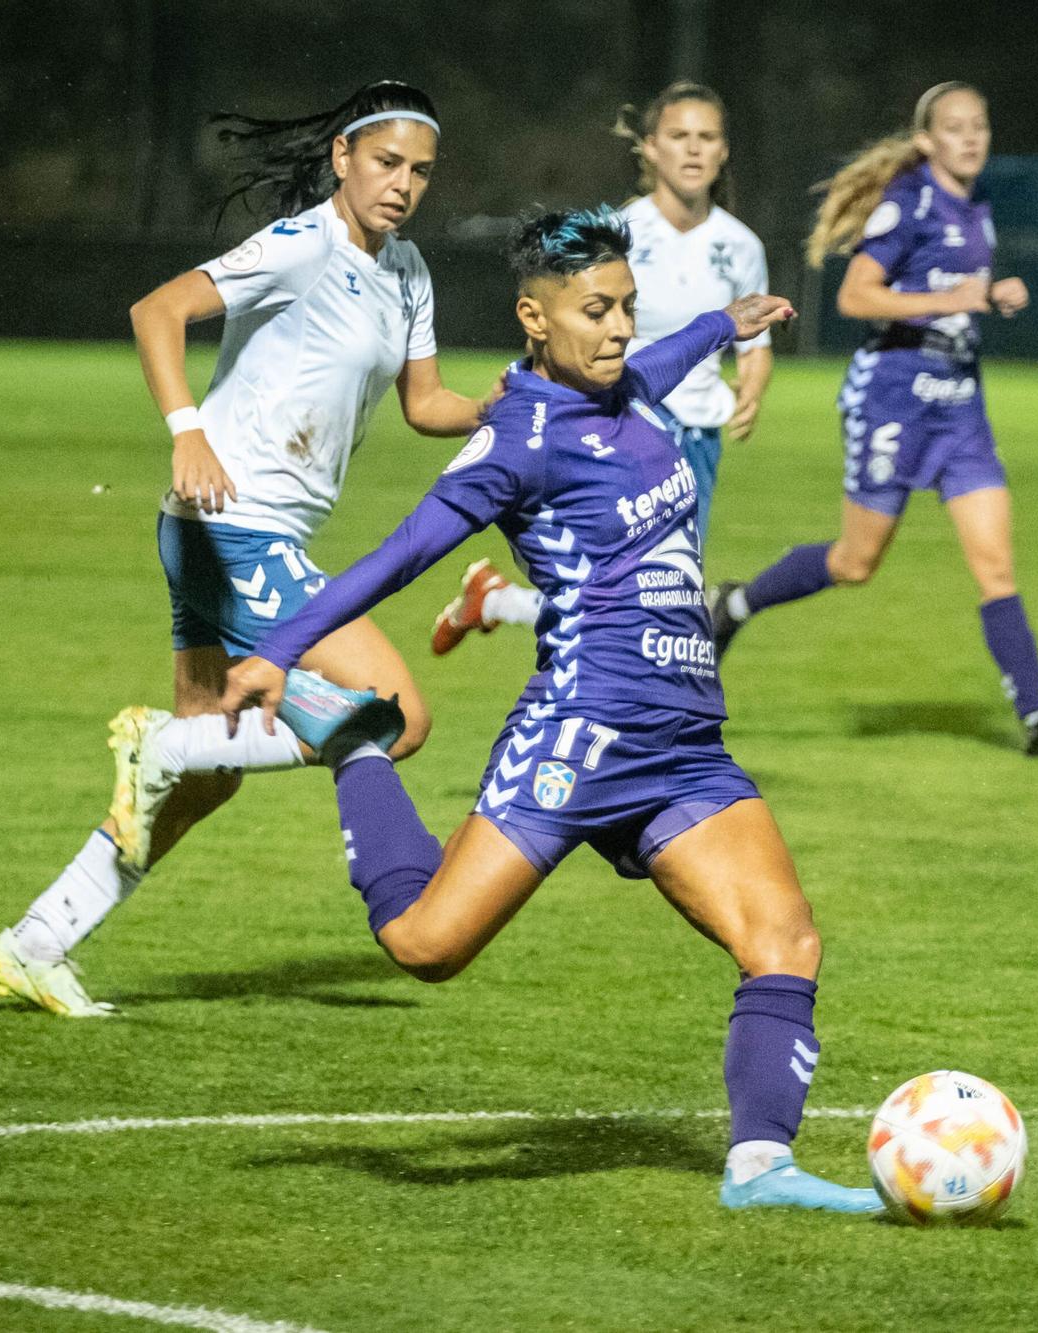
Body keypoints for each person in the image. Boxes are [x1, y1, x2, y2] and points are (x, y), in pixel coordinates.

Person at [217, 207, 880, 1214]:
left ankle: (759, 1168)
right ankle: (357, 747)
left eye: (624, 308)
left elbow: (665, 348)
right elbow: (398, 557)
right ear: (534, 317)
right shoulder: (515, 442)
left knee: (784, 943)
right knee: (426, 947)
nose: (616, 329)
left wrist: (727, 323)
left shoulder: (634, 383)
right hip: (581, 733)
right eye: (593, 311)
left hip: (683, 745)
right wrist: (276, 651)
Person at [0, 81, 494, 1017]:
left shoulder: (410, 271)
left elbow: (426, 406)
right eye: (387, 163)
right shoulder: (301, 246)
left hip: (230, 533)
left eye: (420, 171)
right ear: (342, 157)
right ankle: (163, 739)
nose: (404, 185)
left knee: (209, 777)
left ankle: (37, 938)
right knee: (393, 713)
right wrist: (186, 427)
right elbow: (156, 310)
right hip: (231, 524)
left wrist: (495, 404)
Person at [710, 82, 1038, 756]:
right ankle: (733, 605)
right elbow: (858, 294)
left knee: (996, 567)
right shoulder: (909, 204)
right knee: (856, 562)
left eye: (979, 125)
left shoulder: (976, 210)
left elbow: (959, 300)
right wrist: (960, 294)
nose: (972, 137)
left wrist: (989, 299)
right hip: (893, 401)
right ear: (926, 141)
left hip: (960, 411)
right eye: (955, 127)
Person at [428, 81, 772, 657]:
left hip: (697, 438)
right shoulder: (616, 234)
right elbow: (562, 319)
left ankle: (495, 603)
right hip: (618, 421)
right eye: (679, 136)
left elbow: (752, 344)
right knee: (643, 593)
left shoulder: (740, 245)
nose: (693, 149)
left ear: (723, 151)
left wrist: (752, 390)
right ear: (650, 149)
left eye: (706, 137)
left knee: (646, 591)